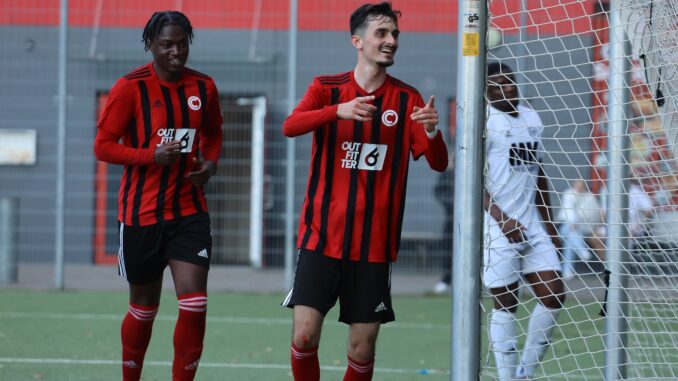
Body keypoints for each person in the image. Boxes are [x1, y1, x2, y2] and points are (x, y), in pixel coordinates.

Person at [280, 3, 448, 380]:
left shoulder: (408, 100)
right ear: (357, 41)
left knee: (362, 346)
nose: (391, 41)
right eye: (382, 34)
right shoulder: (327, 88)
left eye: (395, 35)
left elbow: (437, 162)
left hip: (373, 246)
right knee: (304, 336)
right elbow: (290, 126)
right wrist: (335, 112)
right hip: (320, 239)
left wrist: (433, 132)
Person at [93, 11, 223, 381]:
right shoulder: (130, 88)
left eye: (182, 44)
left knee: (195, 302)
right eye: (167, 44)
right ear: (150, 44)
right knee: (144, 307)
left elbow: (213, 134)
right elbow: (102, 147)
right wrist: (149, 156)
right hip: (141, 215)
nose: (176, 52)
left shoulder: (204, 88)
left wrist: (209, 166)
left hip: (189, 212)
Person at [483, 62, 565, 380]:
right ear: (486, 92)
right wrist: (502, 220)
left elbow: (538, 172)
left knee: (554, 293)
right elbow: (471, 179)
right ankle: (507, 376)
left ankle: (524, 374)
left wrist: (551, 225)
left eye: (512, 81)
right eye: (500, 84)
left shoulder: (532, 117)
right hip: (497, 224)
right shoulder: (485, 122)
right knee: (506, 303)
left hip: (532, 221)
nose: (509, 88)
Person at [556, 179, 606, 277]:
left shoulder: (590, 197)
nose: (578, 187)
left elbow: (594, 214)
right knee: (569, 230)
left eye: (581, 185)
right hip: (563, 228)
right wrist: (574, 223)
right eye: (577, 185)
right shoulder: (568, 194)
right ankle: (582, 251)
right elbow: (568, 212)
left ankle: (567, 271)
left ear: (584, 186)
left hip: (581, 230)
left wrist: (578, 223)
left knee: (570, 240)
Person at [433, 152, 454, 294]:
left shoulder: (478, 171)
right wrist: (451, 205)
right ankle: (446, 280)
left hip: (476, 220)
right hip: (452, 218)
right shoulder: (449, 172)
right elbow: (438, 191)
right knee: (448, 248)